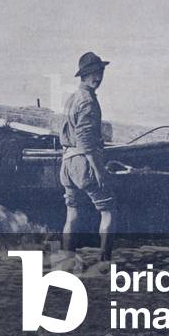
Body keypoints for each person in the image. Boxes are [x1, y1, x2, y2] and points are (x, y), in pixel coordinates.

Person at [59, 51, 116, 262]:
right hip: (84, 163)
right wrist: (98, 169)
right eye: (94, 73)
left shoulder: (72, 98)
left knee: (72, 213)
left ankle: (66, 258)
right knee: (108, 211)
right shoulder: (88, 101)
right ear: (84, 75)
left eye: (100, 72)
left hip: (66, 163)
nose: (98, 77)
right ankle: (104, 262)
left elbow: (66, 131)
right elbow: (85, 139)